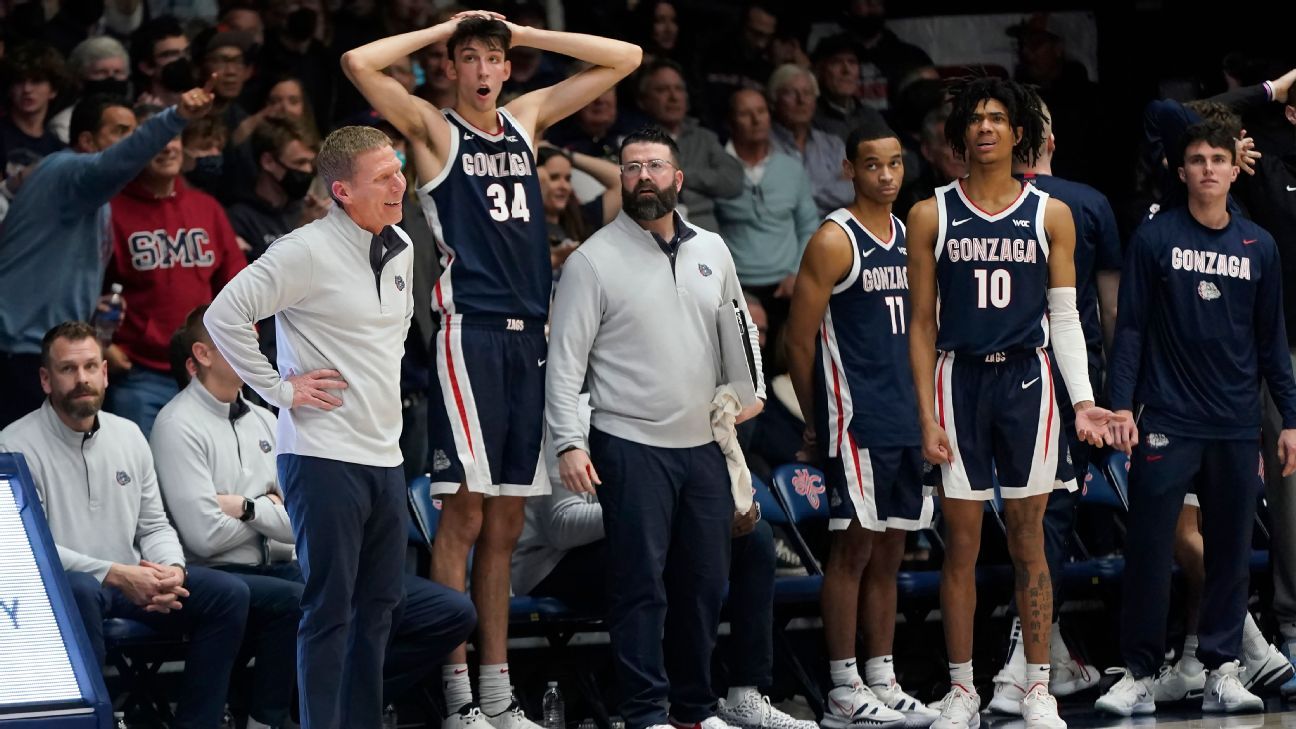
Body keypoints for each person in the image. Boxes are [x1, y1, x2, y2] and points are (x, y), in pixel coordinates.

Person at [340, 14, 640, 729]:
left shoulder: (526, 116)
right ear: (450, 67)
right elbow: (358, 61)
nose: (480, 68)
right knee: (465, 514)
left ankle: (499, 695)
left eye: (492, 58)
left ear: (508, 68)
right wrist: (443, 26)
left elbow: (624, 56)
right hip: (468, 332)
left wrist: (529, 35)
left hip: (530, 335)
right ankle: (455, 694)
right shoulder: (435, 129)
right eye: (467, 57)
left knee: (507, 521)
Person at [905, 76, 1119, 729]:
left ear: (1018, 132)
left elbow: (1066, 318)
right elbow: (918, 323)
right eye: (975, 119)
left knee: (1031, 540)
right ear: (959, 134)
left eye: (998, 118)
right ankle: (964, 689)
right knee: (961, 544)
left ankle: (1037, 685)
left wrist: (1082, 400)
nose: (986, 128)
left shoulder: (1049, 213)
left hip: (1028, 382)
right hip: (957, 377)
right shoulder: (929, 213)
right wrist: (924, 413)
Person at [154, 307, 477, 729]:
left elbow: (299, 527)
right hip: (227, 575)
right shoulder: (176, 424)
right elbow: (205, 537)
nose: (256, 349)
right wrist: (273, 511)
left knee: (434, 608)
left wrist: (249, 508)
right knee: (319, 600)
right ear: (204, 353)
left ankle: (333, 704)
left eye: (253, 337)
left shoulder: (269, 419)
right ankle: (284, 715)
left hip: (289, 564)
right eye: (240, 339)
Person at [546, 126, 764, 729]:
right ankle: (645, 713)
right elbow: (563, 364)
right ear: (620, 179)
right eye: (632, 167)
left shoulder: (714, 251)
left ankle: (695, 709)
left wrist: (754, 395)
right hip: (629, 442)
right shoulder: (592, 260)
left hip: (703, 446)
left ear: (677, 178)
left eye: (655, 166)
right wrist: (568, 442)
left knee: (703, 586)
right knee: (640, 588)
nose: (644, 176)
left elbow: (739, 332)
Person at [204, 124, 415, 729]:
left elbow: (390, 342)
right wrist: (277, 389)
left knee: (380, 607)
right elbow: (224, 313)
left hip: (386, 454)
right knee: (329, 609)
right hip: (322, 456)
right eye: (384, 177)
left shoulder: (401, 243)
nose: (400, 182)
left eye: (398, 169)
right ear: (343, 191)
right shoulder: (304, 249)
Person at [1095, 122, 1296, 716]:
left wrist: (1289, 419)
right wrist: (1121, 406)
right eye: (1197, 159)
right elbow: (1128, 329)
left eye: (1219, 159)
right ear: (1180, 171)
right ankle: (1136, 672)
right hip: (1167, 417)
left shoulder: (1260, 246)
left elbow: (1271, 342)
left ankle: (1223, 669)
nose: (1208, 168)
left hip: (1235, 423)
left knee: (1232, 551)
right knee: (1152, 549)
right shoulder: (1154, 239)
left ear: (1236, 170)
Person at [0, 321, 249, 729]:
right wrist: (116, 574)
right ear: (46, 379)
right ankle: (92, 721)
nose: (81, 379)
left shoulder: (129, 435)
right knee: (79, 590)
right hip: (71, 592)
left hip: (135, 583)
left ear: (104, 372)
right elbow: (32, 552)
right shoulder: (14, 444)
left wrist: (172, 570)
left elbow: (154, 525)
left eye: (90, 366)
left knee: (229, 595)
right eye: (67, 369)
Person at [512, 398, 813, 729]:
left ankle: (743, 693)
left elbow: (711, 497)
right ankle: (668, 708)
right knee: (667, 554)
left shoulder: (673, 418)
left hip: (641, 541)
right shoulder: (569, 415)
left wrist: (739, 512)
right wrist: (663, 515)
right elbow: (561, 526)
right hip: (555, 564)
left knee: (754, 541)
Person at [784, 121, 933, 729]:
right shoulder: (833, 239)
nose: (886, 175)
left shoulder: (913, 235)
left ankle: (881, 677)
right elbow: (796, 343)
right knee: (852, 550)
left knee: (892, 553)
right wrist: (818, 420)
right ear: (849, 169)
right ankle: (843, 687)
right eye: (873, 165)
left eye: (895, 164)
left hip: (907, 419)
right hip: (856, 419)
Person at [986, 98, 1122, 713]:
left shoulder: (972, 201)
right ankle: (1025, 658)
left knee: (1018, 516)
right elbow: (1110, 309)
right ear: (1050, 139)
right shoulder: (1086, 202)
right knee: (1049, 517)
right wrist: (1114, 394)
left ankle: (1047, 653)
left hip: (986, 379)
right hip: (1068, 379)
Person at [0, 83, 216, 429]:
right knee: (19, 469)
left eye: (135, 132)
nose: (134, 143)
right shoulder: (66, 170)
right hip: (20, 350)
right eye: (121, 132)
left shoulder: (94, 199)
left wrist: (91, 308)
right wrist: (176, 117)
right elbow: (118, 161)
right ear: (87, 142)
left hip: (40, 347)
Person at [102, 104, 247, 437]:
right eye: (156, 139)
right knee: (141, 480)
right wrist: (102, 342)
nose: (167, 146)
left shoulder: (206, 207)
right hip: (139, 375)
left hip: (208, 371)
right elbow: (86, 287)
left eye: (174, 137)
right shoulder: (110, 211)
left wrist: (244, 330)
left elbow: (239, 285)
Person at [713, 88, 817, 373]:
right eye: (746, 114)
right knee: (741, 375)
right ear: (731, 121)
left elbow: (809, 224)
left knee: (791, 368)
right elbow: (707, 228)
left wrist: (798, 271)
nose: (756, 119)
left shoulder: (790, 167)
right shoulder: (717, 168)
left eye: (761, 111)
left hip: (787, 286)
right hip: (736, 286)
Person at [636, 58, 743, 233]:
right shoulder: (636, 141)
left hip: (704, 231)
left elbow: (733, 181)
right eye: (662, 90)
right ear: (643, 100)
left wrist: (680, 175)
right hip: (655, 235)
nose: (673, 97)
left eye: (678, 89)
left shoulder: (704, 137)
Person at [768, 64, 853, 217]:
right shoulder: (762, 145)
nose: (801, 100)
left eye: (807, 93)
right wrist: (833, 186)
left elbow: (852, 191)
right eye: (791, 93)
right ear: (773, 101)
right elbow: (775, 200)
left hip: (833, 232)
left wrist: (798, 193)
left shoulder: (833, 144)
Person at [537, 144, 622, 269]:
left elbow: (622, 182)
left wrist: (566, 155)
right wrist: (555, 259)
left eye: (567, 179)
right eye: (554, 178)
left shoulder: (580, 220)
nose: (564, 186)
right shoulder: (519, 228)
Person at [0, 42, 70, 187]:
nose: (27, 89)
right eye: (19, 81)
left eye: (37, 81)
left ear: (53, 90)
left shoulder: (57, 148)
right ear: (10, 88)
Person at [49, 36, 131, 144]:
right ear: (79, 79)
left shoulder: (135, 117)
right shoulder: (64, 125)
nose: (111, 79)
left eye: (118, 72)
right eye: (101, 72)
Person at [811, 34, 886, 144]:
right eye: (836, 62)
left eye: (852, 62)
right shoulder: (810, 118)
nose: (846, 70)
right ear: (820, 71)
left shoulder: (871, 117)